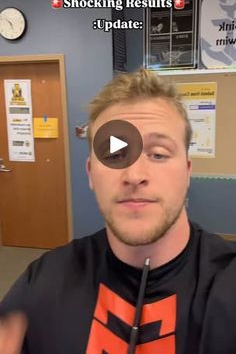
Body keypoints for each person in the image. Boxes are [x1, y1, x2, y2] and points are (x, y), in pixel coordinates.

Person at [0, 68, 236, 354]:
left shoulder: (225, 287)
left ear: (187, 172)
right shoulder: (44, 283)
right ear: (90, 173)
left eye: (158, 154)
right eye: (114, 155)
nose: (134, 174)